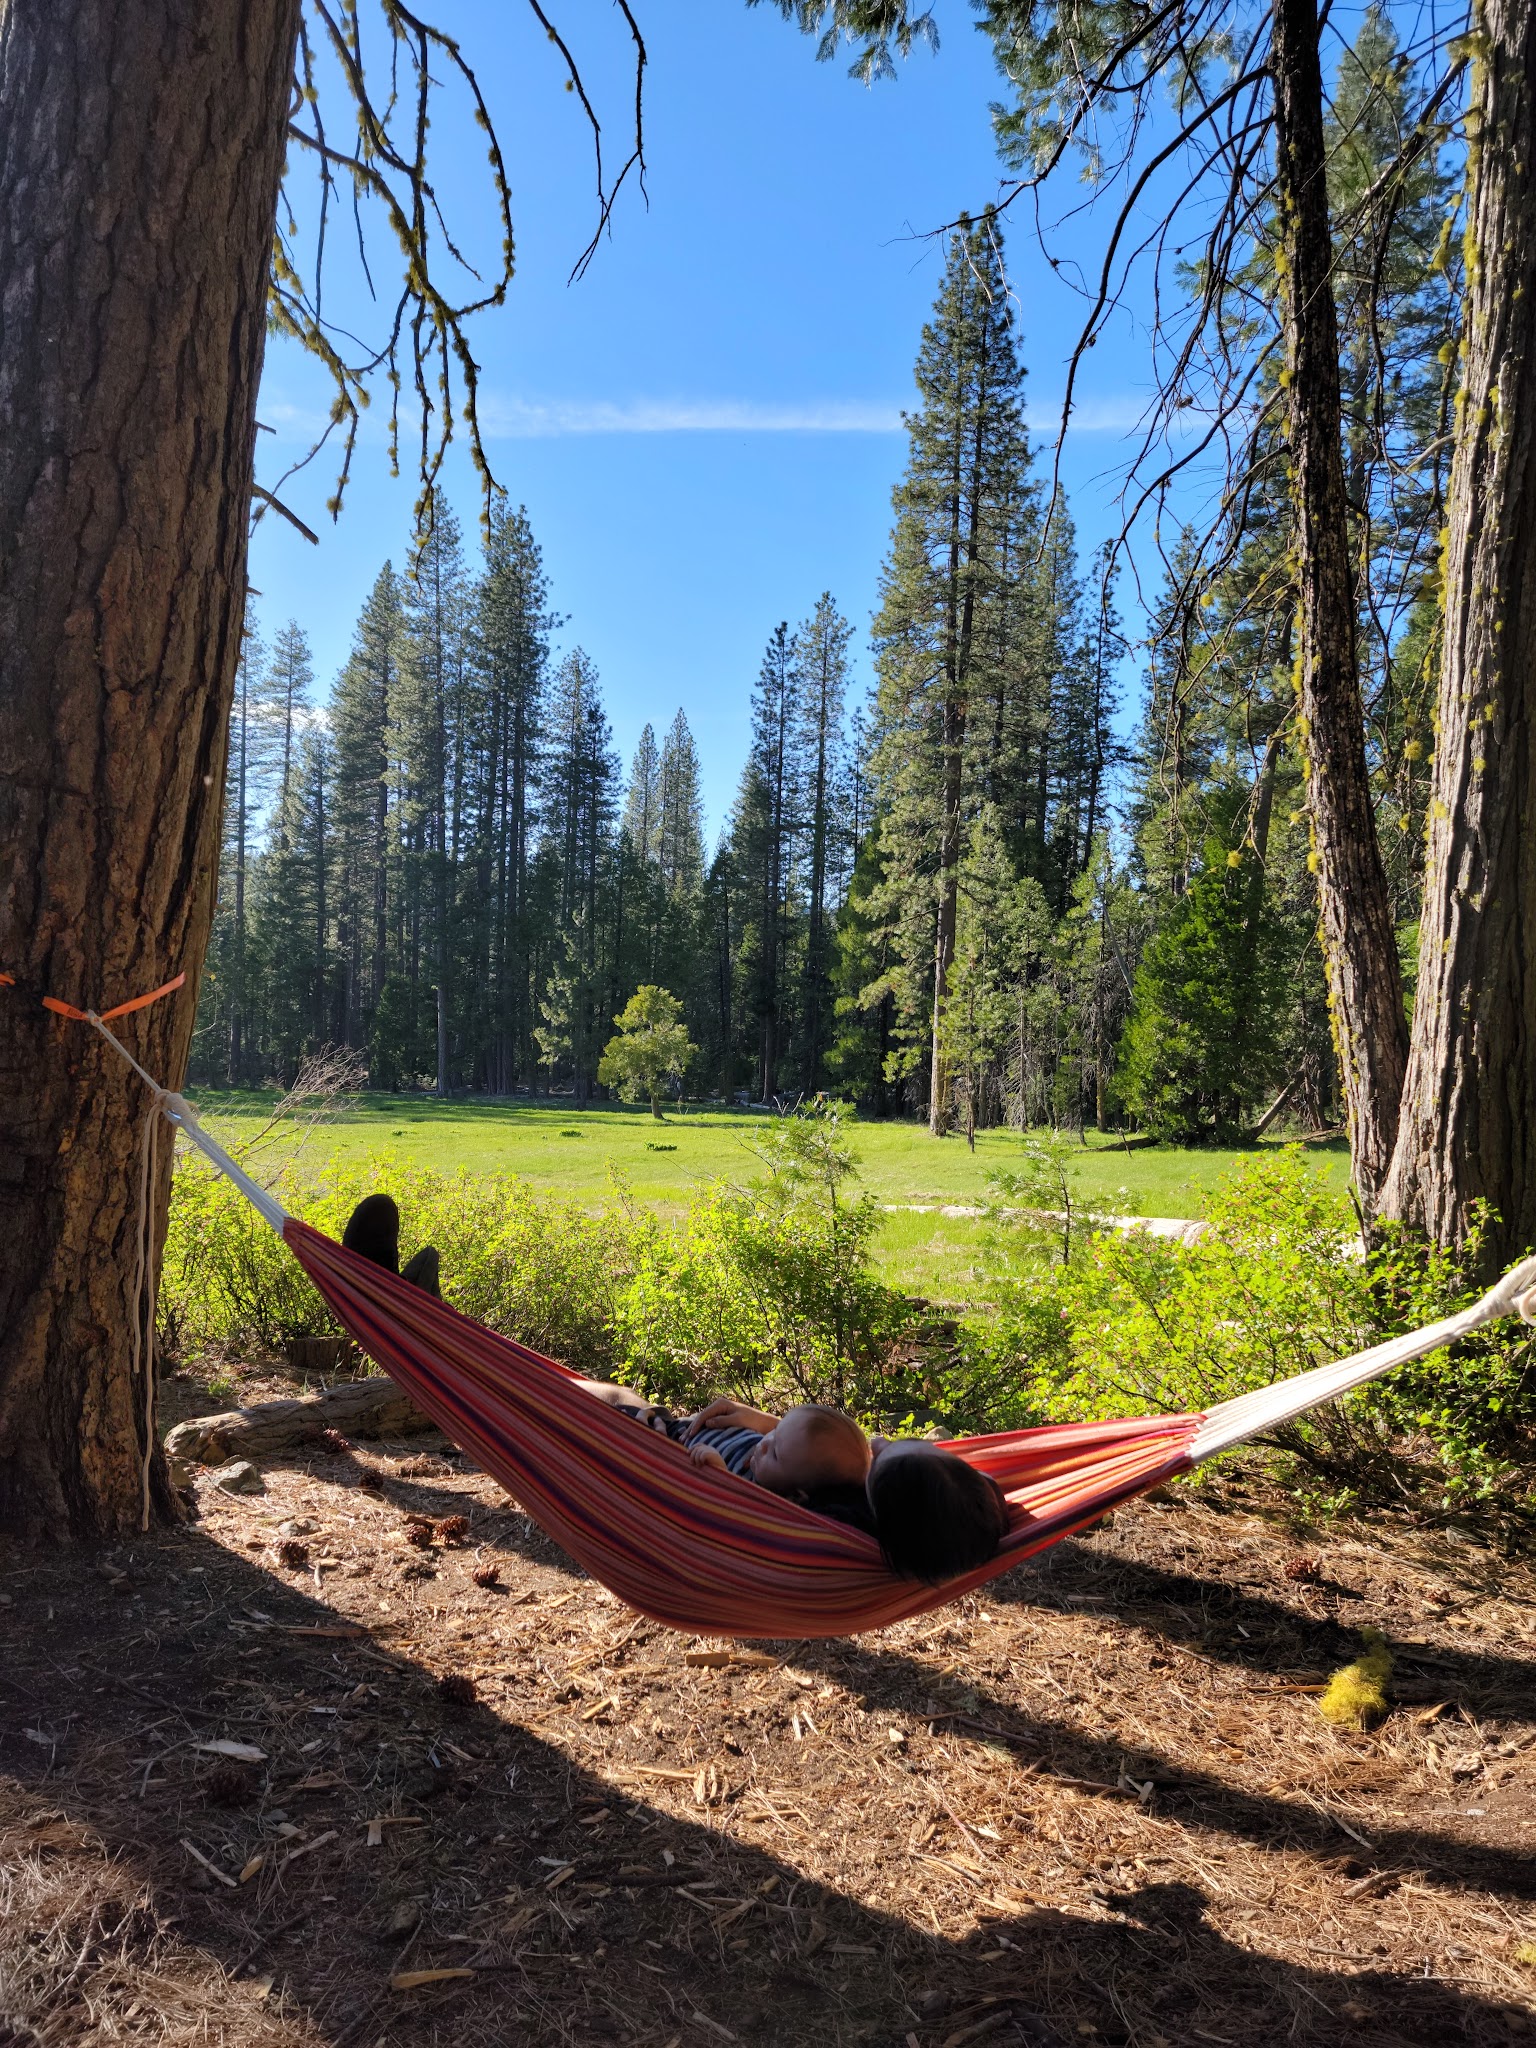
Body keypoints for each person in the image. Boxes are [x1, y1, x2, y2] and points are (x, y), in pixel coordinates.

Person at [340, 1195, 1009, 1582]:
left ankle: (413, 1331)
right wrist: (760, 1421)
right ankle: (423, 1321)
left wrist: (720, 1470)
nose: (885, 1442)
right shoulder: (899, 1483)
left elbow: (761, 1500)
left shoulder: (836, 1522)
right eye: (893, 1444)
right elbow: (815, 1451)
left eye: (888, 1450)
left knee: (532, 1404)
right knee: (559, 1385)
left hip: (650, 1456)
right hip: (665, 1422)